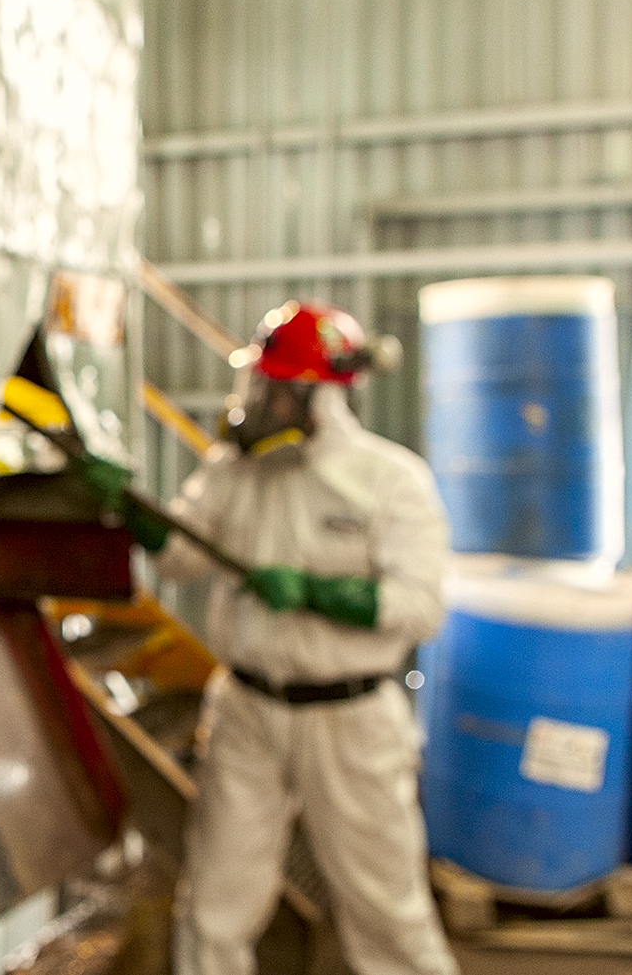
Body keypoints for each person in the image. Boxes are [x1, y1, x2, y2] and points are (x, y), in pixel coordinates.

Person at [160, 301, 458, 975]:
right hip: (246, 710)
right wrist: (124, 512)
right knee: (213, 906)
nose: (255, 401)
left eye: (271, 387)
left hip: (349, 718)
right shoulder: (235, 472)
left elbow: (419, 606)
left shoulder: (389, 480)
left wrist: (315, 591)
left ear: (314, 394)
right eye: (256, 384)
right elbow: (178, 555)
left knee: (385, 910)